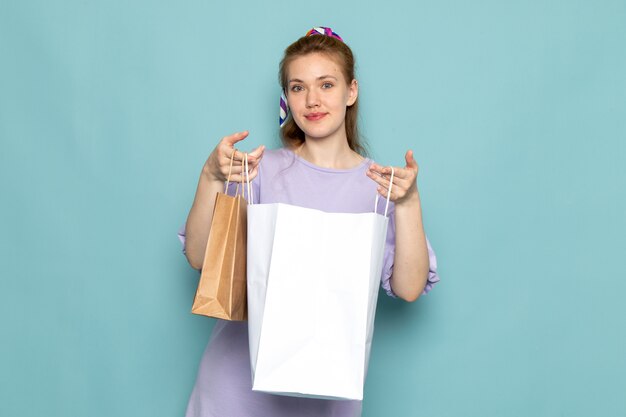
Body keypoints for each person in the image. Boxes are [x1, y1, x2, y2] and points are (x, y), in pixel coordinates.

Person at [179, 26, 439, 417]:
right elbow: (200, 258)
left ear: (351, 91)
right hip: (234, 395)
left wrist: (409, 202)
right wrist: (210, 177)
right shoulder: (259, 170)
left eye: (326, 84)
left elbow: (407, 288)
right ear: (287, 98)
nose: (312, 100)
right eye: (298, 87)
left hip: (327, 400)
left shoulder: (380, 187)